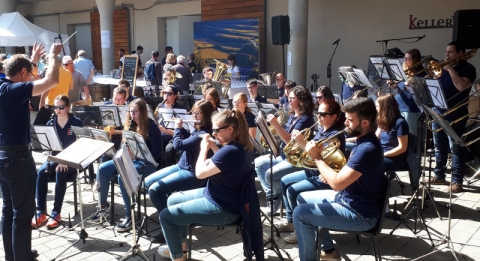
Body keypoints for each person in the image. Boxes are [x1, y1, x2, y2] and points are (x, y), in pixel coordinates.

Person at [156, 109, 263, 261]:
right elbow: (222, 162)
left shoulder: (231, 151)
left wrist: (203, 149)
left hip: (224, 208)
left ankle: (177, 257)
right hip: (219, 195)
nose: (213, 133)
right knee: (172, 200)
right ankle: (182, 250)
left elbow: (200, 173)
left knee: (166, 216)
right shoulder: (240, 146)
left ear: (230, 129)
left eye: (216, 130)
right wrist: (213, 146)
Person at [294, 97, 387, 261]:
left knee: (300, 214)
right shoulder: (364, 141)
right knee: (301, 198)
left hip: (360, 214)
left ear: (365, 123)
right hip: (348, 198)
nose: (345, 123)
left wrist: (318, 157)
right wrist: (330, 172)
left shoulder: (367, 148)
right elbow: (344, 175)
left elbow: (337, 184)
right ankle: (328, 250)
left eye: (350, 120)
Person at [0, 42, 63, 261]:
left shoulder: (3, 84)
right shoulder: (13, 91)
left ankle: (14, 255)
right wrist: (54, 57)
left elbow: (20, 73)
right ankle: (23, 258)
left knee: (8, 210)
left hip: (3, 157)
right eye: (29, 74)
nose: (31, 79)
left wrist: (32, 60)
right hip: (18, 158)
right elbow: (51, 81)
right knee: (23, 213)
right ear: (23, 72)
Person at [145, 99, 215, 242]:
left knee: (154, 190)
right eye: (193, 112)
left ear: (206, 115)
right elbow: (188, 139)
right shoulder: (198, 129)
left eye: (198, 113)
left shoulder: (204, 133)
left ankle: (171, 224)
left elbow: (179, 145)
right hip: (181, 166)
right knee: (147, 182)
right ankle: (168, 216)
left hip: (192, 173)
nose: (194, 115)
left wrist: (177, 128)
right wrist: (182, 129)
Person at [278, 99, 346, 244]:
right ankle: (292, 221)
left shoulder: (335, 135)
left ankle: (300, 228)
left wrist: (301, 142)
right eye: (318, 113)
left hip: (322, 176)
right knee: (284, 181)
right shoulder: (322, 129)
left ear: (334, 116)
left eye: (323, 114)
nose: (318, 117)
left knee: (292, 191)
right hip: (312, 171)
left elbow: (318, 156)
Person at [92, 98, 162, 232]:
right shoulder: (131, 125)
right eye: (130, 112)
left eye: (135, 112)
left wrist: (136, 154)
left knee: (122, 176)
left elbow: (157, 154)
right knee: (102, 169)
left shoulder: (153, 128)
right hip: (130, 160)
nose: (132, 115)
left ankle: (130, 216)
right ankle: (103, 206)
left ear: (143, 112)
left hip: (147, 163)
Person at [254, 86, 315, 214]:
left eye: (292, 98)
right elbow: (284, 134)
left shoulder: (305, 119)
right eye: (289, 98)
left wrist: (276, 125)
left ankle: (278, 197)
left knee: (270, 174)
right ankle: (274, 197)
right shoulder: (293, 115)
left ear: (302, 100)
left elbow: (289, 140)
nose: (289, 100)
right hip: (283, 154)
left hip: (295, 159)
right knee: (258, 164)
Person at [428, 41, 476, 193]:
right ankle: (439, 175)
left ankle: (457, 181)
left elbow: (462, 87)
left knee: (455, 148)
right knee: (439, 146)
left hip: (456, 113)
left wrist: (450, 69)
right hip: (439, 111)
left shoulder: (468, 69)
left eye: (450, 52)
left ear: (460, 53)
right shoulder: (441, 69)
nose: (446, 55)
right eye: (446, 52)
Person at [32, 95, 83, 229]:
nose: (58, 110)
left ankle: (56, 212)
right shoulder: (51, 123)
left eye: (61, 107)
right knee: (41, 172)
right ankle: (41, 211)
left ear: (68, 107)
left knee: (61, 171)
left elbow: (80, 146)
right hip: (55, 158)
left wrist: (64, 159)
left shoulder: (76, 122)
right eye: (55, 107)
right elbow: (49, 147)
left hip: (72, 158)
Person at [375, 94, 408, 171]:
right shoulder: (383, 120)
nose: (376, 109)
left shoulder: (400, 123)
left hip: (394, 159)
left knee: (366, 164)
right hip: (382, 153)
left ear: (385, 108)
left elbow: (402, 148)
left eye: (377, 106)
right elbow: (375, 138)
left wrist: (382, 155)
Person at [156, 85, 184, 167]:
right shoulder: (160, 106)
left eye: (169, 94)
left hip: (172, 137)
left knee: (169, 150)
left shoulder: (179, 110)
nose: (166, 95)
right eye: (164, 93)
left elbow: (180, 133)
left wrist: (164, 130)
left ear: (175, 96)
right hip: (161, 135)